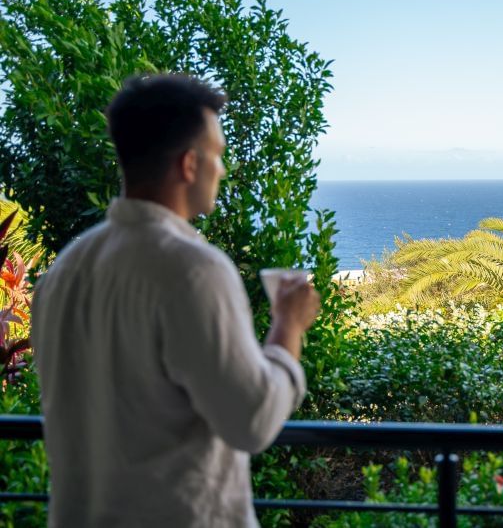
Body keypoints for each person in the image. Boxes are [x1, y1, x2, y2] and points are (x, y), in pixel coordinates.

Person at [31, 74, 321, 527]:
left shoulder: (63, 273)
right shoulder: (193, 269)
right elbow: (251, 421)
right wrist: (288, 325)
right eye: (218, 155)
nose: (221, 170)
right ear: (189, 164)